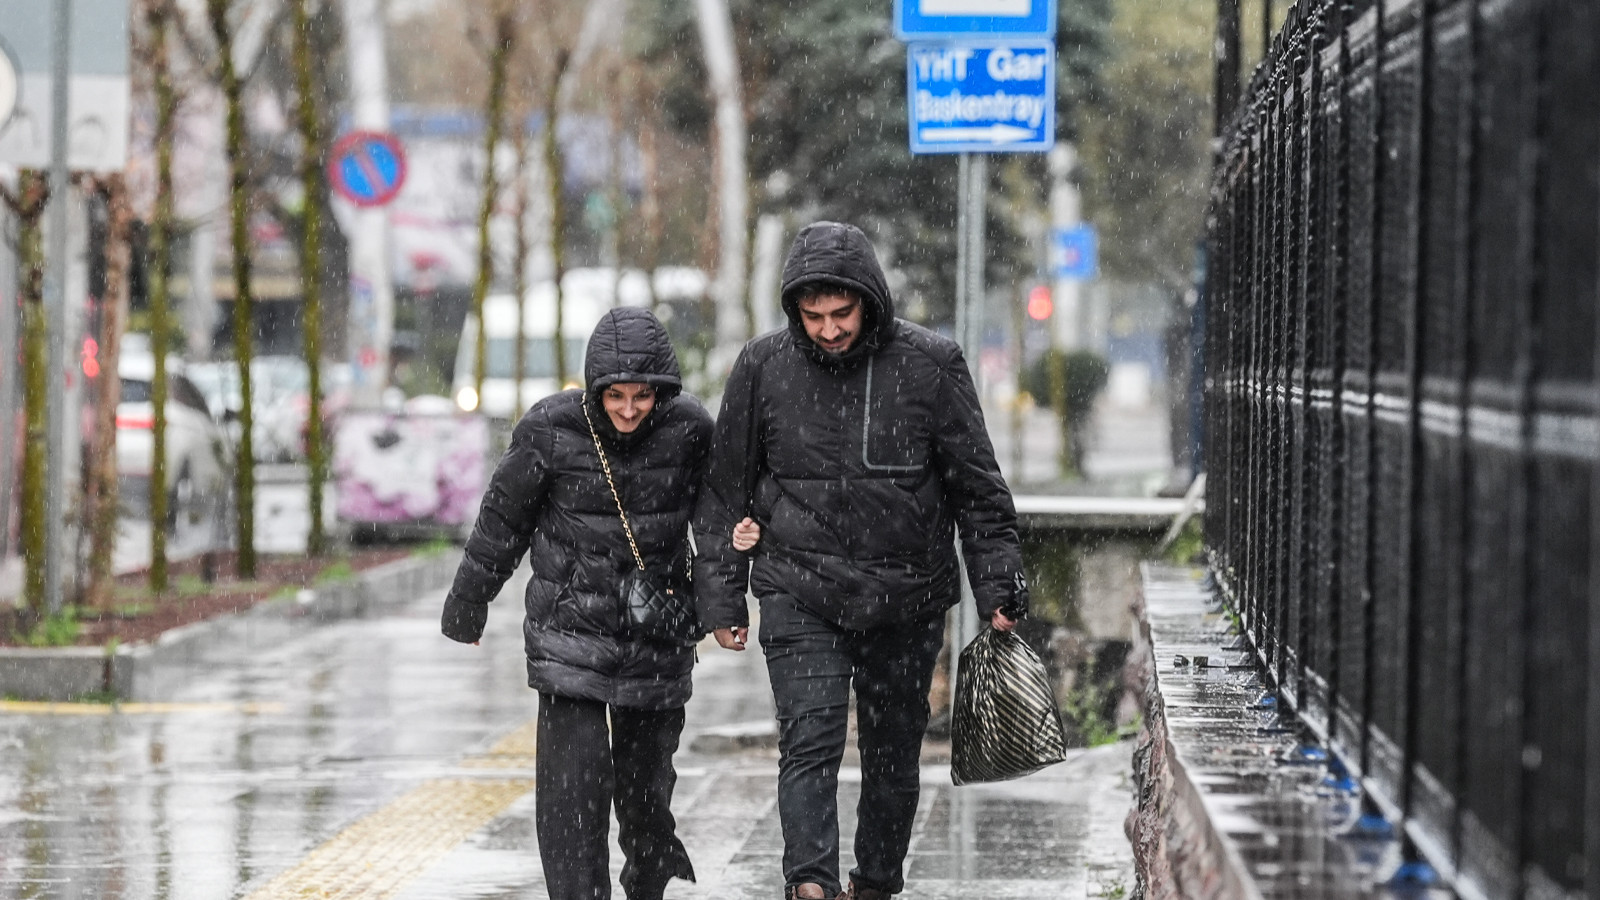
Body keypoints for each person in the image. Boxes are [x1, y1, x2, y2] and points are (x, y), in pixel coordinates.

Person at [694, 221, 1031, 900]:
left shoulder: (930, 365)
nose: (827, 329)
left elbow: (978, 488)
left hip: (905, 596)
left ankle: (876, 882)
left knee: (891, 755)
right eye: (812, 315)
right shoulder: (763, 367)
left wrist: (998, 584)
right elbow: (724, 491)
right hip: (798, 587)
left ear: (869, 301)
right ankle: (810, 884)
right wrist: (723, 599)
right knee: (810, 741)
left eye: (841, 313)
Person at [441, 307, 711, 900]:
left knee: (645, 799)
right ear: (594, 388)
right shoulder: (550, 429)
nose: (630, 410)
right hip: (569, 637)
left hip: (655, 639)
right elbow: (501, 523)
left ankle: (647, 878)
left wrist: (724, 611)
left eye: (644, 396)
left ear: (663, 391)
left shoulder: (690, 429)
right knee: (570, 801)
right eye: (616, 396)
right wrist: (468, 603)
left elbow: (714, 528)